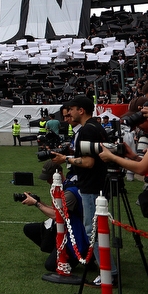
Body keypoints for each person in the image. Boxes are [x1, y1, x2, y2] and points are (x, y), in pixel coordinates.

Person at [51, 95, 108, 252]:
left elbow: (89, 162)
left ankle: (107, 272)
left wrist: (66, 159)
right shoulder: (97, 127)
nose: (69, 113)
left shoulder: (86, 130)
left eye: (71, 110)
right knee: (98, 229)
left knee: (93, 230)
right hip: (99, 182)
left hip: (91, 185)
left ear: (81, 110)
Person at [21, 161, 88, 272]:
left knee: (51, 266)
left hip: (74, 236)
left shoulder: (69, 193)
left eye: (49, 178)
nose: (48, 181)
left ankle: (80, 256)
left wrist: (36, 204)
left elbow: (57, 216)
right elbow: (57, 210)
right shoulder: (64, 187)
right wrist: (38, 201)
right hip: (63, 229)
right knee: (29, 229)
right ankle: (56, 250)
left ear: (59, 174)